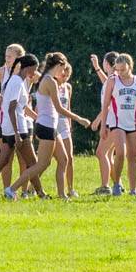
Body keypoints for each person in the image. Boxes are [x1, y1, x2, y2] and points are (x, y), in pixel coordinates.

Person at [5, 53, 90, 199]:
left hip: (52, 126)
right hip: (46, 126)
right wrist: (79, 119)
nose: (63, 73)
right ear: (58, 66)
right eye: (63, 69)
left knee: (63, 159)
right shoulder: (49, 81)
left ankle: (62, 195)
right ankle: (12, 189)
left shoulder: (48, 79)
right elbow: (59, 108)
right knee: (42, 164)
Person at [91, 53, 136, 197]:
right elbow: (106, 104)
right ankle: (117, 183)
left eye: (123, 70)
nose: (120, 73)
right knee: (120, 153)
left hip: (134, 122)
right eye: (117, 70)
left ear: (130, 67)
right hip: (116, 123)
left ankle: (133, 190)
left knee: (133, 156)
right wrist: (102, 127)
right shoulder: (113, 81)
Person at [0, 54, 40, 199]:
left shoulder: (18, 80)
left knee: (3, 160)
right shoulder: (16, 82)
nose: (34, 73)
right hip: (17, 128)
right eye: (34, 69)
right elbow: (11, 109)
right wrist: (17, 133)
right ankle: (40, 193)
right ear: (28, 68)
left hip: (12, 127)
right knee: (33, 163)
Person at [89, 51, 125, 195]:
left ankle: (105, 186)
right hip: (114, 121)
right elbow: (106, 82)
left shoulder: (114, 79)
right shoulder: (114, 78)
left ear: (107, 63)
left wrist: (98, 120)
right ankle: (118, 185)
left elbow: (108, 103)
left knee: (101, 152)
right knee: (107, 155)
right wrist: (97, 68)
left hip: (112, 122)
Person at [55, 64, 78, 197]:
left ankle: (70, 188)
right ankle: (31, 187)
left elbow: (68, 107)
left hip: (64, 124)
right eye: (63, 75)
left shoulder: (67, 87)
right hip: (53, 124)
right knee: (45, 161)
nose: (65, 78)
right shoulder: (52, 85)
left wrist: (70, 124)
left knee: (69, 157)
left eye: (68, 76)